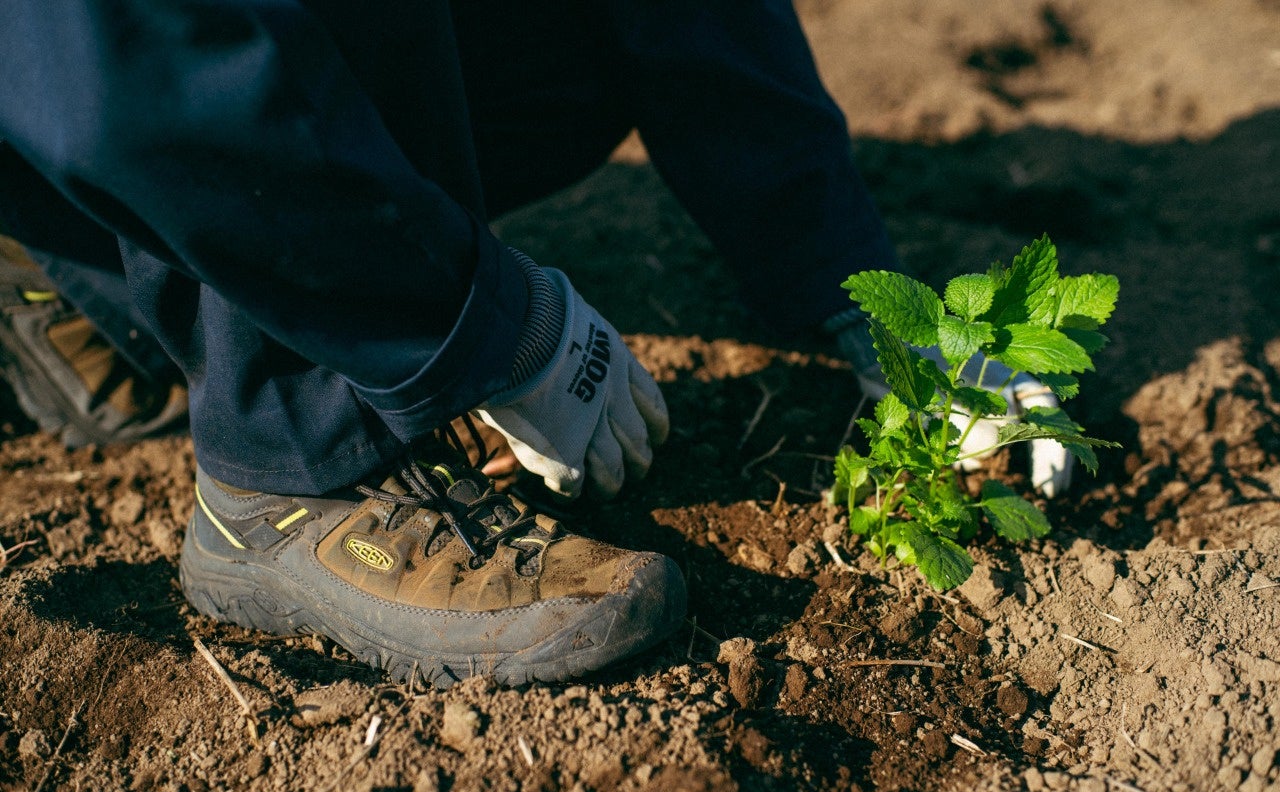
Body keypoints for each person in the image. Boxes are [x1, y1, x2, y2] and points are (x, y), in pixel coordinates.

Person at [0, 1, 1066, 686]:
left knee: (571, 53)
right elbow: (125, 72)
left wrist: (839, 271)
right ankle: (295, 467)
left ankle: (84, 250)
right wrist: (480, 321)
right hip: (89, 60)